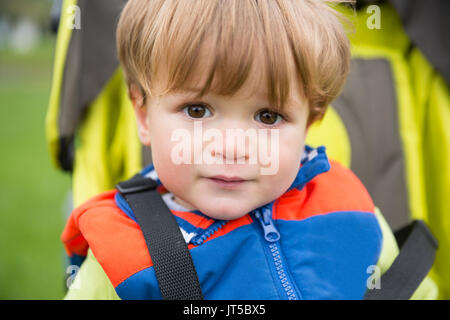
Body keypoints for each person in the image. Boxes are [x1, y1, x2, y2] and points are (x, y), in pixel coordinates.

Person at [61, 0, 437, 300]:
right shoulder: (121, 251)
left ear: (309, 122)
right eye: (197, 110)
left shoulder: (348, 210)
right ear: (143, 114)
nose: (232, 147)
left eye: (268, 116)